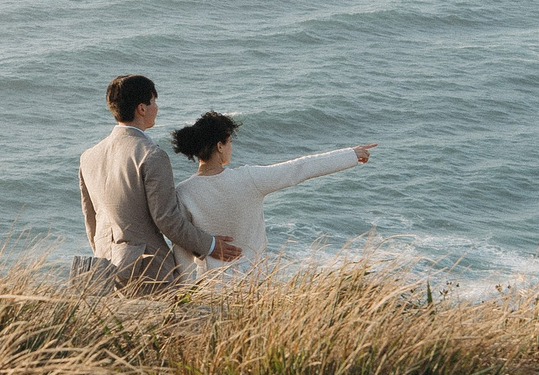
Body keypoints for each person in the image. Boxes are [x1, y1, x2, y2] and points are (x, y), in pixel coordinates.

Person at [79, 74, 240, 285]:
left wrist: (103, 254)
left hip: (102, 268)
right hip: (146, 270)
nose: (157, 108)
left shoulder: (89, 156)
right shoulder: (151, 155)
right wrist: (210, 245)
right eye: (154, 102)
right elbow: (167, 219)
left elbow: (90, 219)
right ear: (142, 108)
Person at [172, 110, 375, 272]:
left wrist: (183, 297)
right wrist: (350, 155)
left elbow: (181, 249)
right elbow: (299, 168)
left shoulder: (183, 191)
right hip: (251, 283)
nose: (231, 147)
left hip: (208, 287)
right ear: (220, 146)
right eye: (229, 142)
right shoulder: (248, 179)